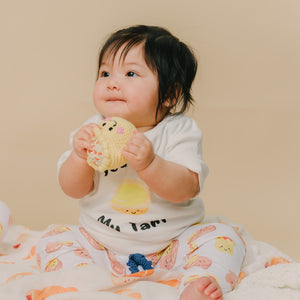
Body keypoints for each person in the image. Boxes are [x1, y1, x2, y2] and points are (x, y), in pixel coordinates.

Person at [36, 25, 246, 300]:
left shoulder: (178, 131)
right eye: (105, 73)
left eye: (131, 73)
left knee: (223, 238)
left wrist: (150, 163)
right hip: (102, 243)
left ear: (169, 94)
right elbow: (72, 189)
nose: (112, 82)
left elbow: (186, 189)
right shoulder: (92, 130)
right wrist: (79, 158)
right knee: (53, 240)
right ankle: (86, 285)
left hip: (172, 244)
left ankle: (196, 285)